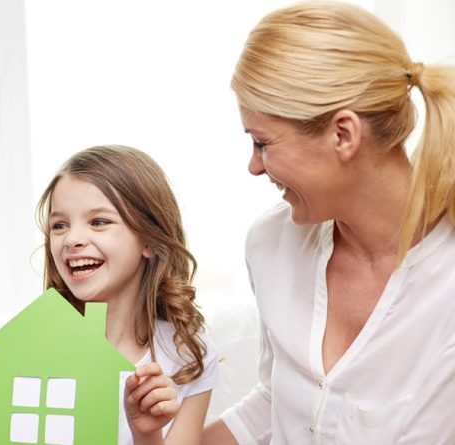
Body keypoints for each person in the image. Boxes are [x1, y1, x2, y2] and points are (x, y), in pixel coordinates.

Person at [202, 2, 455, 444]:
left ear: (343, 134)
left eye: (262, 142)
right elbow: (278, 399)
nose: (254, 167)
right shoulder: (270, 245)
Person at [36, 145, 219, 445]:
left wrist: (146, 434)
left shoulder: (187, 356)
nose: (72, 239)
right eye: (59, 225)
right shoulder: (34, 343)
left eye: (98, 222)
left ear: (148, 241)